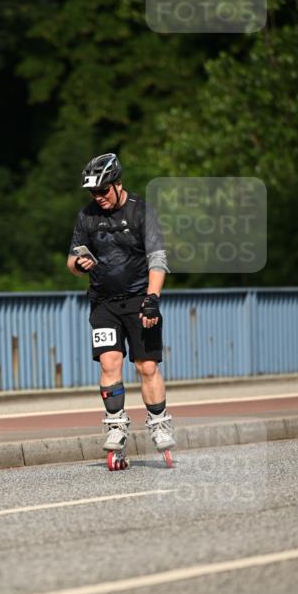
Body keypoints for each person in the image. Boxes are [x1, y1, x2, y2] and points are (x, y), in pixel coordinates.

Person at [67, 152, 175, 468]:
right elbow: (71, 261)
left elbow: (158, 259)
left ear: (117, 183)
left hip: (140, 300)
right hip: (103, 302)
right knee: (109, 362)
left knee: (146, 366)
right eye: (93, 193)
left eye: (102, 190)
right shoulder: (86, 216)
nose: (97, 197)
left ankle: (159, 422)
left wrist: (152, 298)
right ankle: (115, 425)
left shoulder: (142, 212)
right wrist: (79, 264)